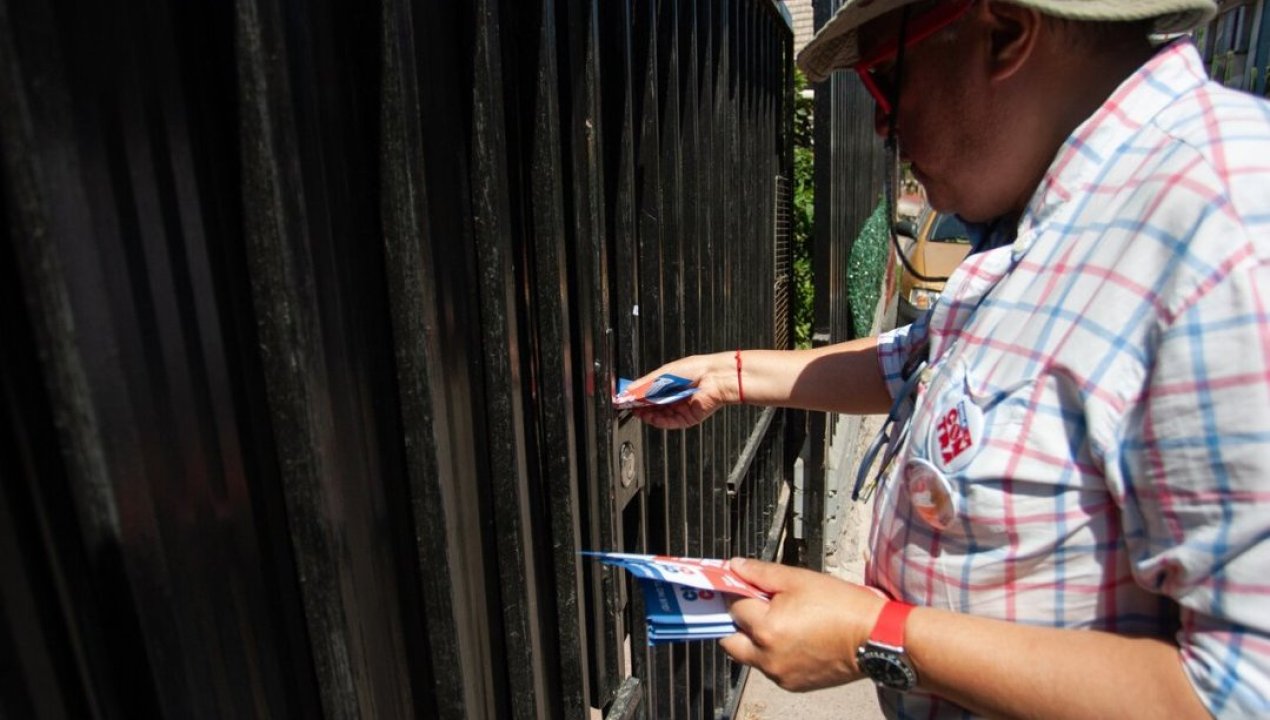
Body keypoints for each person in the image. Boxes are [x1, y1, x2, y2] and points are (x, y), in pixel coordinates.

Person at [630, 0, 1270, 717]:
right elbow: (928, 361)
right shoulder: (1064, 208)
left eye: (886, 77)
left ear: (1002, 35)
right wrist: (727, 376)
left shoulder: (1229, 222)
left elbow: (1240, 694)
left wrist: (877, 638)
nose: (880, 120)